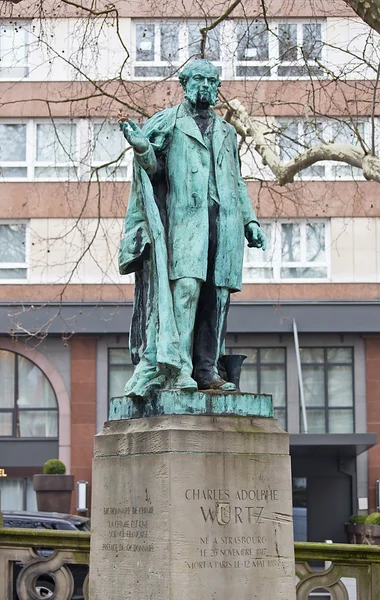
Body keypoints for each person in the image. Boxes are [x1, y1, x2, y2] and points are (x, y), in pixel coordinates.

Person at [119, 58, 266, 397]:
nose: (205, 86)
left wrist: (251, 221)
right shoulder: (168, 122)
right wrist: (142, 147)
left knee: (217, 298)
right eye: (198, 79)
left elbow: (237, 181)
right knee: (186, 291)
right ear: (184, 84)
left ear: (217, 87)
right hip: (186, 224)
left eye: (211, 81)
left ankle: (207, 369)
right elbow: (152, 169)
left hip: (225, 226)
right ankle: (178, 369)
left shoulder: (228, 132)